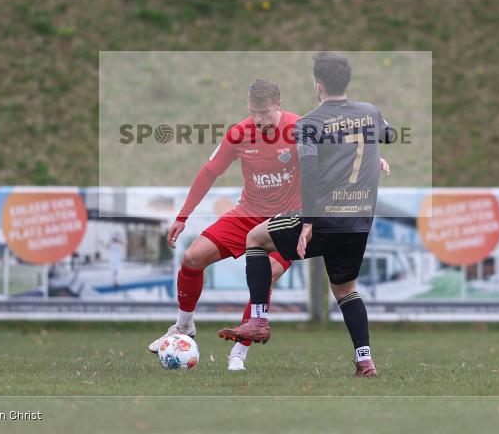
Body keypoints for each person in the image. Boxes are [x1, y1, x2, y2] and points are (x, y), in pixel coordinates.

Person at [218, 52, 393, 377]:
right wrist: (376, 154)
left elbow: (310, 170)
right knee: (345, 290)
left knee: (254, 238)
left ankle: (257, 320)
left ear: (318, 85)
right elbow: (387, 134)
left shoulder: (309, 123)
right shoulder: (370, 112)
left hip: (325, 215)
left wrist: (308, 221)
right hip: (358, 221)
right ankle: (365, 359)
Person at [147, 78, 301, 371]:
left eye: (264, 113)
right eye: (252, 112)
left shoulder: (300, 128)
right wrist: (182, 217)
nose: (257, 120)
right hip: (248, 213)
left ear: (278, 106)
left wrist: (373, 156)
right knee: (192, 257)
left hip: (287, 219)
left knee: (265, 274)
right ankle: (183, 327)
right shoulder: (239, 134)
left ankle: (238, 355)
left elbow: (335, 150)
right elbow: (209, 172)